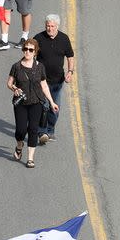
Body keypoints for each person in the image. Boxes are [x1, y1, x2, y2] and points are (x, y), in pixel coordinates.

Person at [7, 39, 59, 169]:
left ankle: (30, 158)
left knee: (33, 129)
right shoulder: (16, 66)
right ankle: (19, 146)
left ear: (35, 52)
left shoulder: (40, 67)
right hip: (21, 103)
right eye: (25, 49)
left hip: (36, 102)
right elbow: (9, 83)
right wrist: (15, 89)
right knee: (21, 130)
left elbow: (44, 85)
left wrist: (52, 102)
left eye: (31, 50)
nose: (27, 52)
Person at [33, 14, 74, 144]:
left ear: (57, 26)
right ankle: (42, 132)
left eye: (52, 26)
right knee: (44, 106)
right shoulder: (38, 38)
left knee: (55, 108)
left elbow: (70, 56)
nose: (49, 28)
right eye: (47, 26)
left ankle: (50, 130)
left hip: (58, 81)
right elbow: (31, 55)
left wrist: (70, 72)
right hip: (42, 80)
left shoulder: (64, 39)